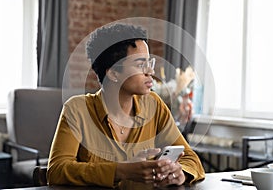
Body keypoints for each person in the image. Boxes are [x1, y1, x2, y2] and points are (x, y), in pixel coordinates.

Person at [47, 23, 205, 188]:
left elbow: (191, 160)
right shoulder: (76, 109)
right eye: (139, 64)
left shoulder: (154, 105)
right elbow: (56, 171)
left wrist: (180, 173)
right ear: (114, 73)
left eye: (149, 63)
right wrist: (122, 171)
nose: (150, 72)